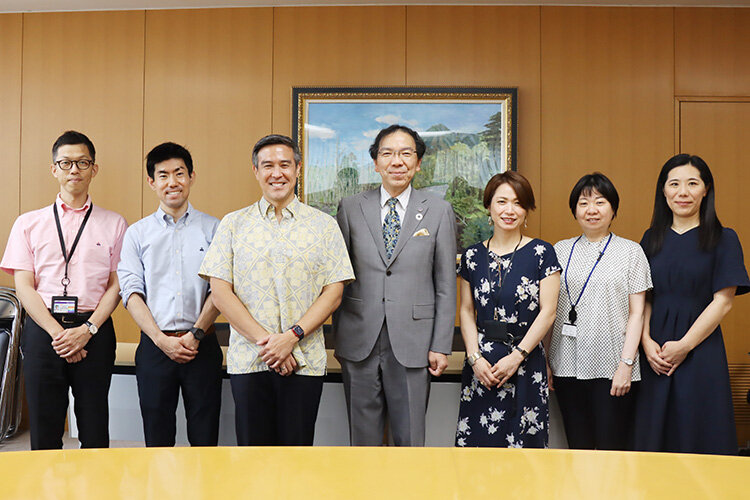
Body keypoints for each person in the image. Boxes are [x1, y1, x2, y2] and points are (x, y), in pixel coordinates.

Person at [199, 134, 354, 446]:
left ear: (297, 169)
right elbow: (220, 292)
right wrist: (269, 345)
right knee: (252, 456)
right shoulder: (233, 224)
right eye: (267, 165)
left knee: (297, 457)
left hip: (305, 359)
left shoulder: (324, 226)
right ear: (256, 171)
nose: (276, 173)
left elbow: (333, 292)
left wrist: (291, 337)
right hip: (250, 359)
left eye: (285, 165)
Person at [0, 131, 127, 449]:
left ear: (93, 169)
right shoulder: (28, 223)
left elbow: (117, 284)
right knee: (45, 428)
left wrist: (88, 328)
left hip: (94, 331)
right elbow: (24, 286)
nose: (74, 170)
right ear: (54, 169)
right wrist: (59, 333)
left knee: (95, 425)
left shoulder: (114, 223)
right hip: (44, 331)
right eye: (66, 163)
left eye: (82, 162)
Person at [333, 124, 457, 447]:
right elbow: (337, 277)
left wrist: (441, 344)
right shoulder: (350, 207)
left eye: (406, 154)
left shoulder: (439, 211)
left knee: (411, 438)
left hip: (415, 342)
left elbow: (445, 284)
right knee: (362, 440)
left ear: (418, 163)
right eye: (387, 153)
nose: (397, 161)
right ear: (375, 163)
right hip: (359, 339)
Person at [635, 154, 749, 455]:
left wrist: (684, 345)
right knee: (652, 436)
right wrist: (645, 342)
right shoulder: (650, 239)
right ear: (663, 190)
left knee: (699, 433)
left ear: (706, 189)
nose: (682, 192)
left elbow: (723, 302)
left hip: (701, 348)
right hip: (654, 353)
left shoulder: (724, 238)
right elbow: (643, 297)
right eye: (674, 184)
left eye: (692, 183)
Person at [117, 142, 222, 447]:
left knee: (205, 436)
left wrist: (196, 334)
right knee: (157, 436)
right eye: (163, 175)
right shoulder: (137, 233)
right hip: (154, 346)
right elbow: (131, 292)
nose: (172, 182)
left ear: (191, 176)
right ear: (152, 182)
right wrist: (161, 340)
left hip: (202, 345)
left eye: (179, 173)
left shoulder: (214, 228)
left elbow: (220, 289)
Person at [455, 171, 560, 448]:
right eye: (501, 202)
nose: (509, 210)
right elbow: (466, 311)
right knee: (478, 449)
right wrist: (474, 358)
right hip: (483, 366)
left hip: (525, 361)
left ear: (527, 210)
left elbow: (548, 311)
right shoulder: (472, 256)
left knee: (526, 449)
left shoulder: (542, 252)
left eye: (518, 203)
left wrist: (517, 357)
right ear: (489, 207)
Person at [547, 173, 652, 450]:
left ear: (613, 208)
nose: (591, 210)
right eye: (583, 203)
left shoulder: (632, 252)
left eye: (600, 202)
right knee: (577, 447)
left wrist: (626, 365)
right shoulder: (559, 250)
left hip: (613, 366)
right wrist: (547, 361)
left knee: (612, 449)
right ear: (575, 210)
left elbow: (637, 314)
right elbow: (550, 311)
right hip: (566, 364)